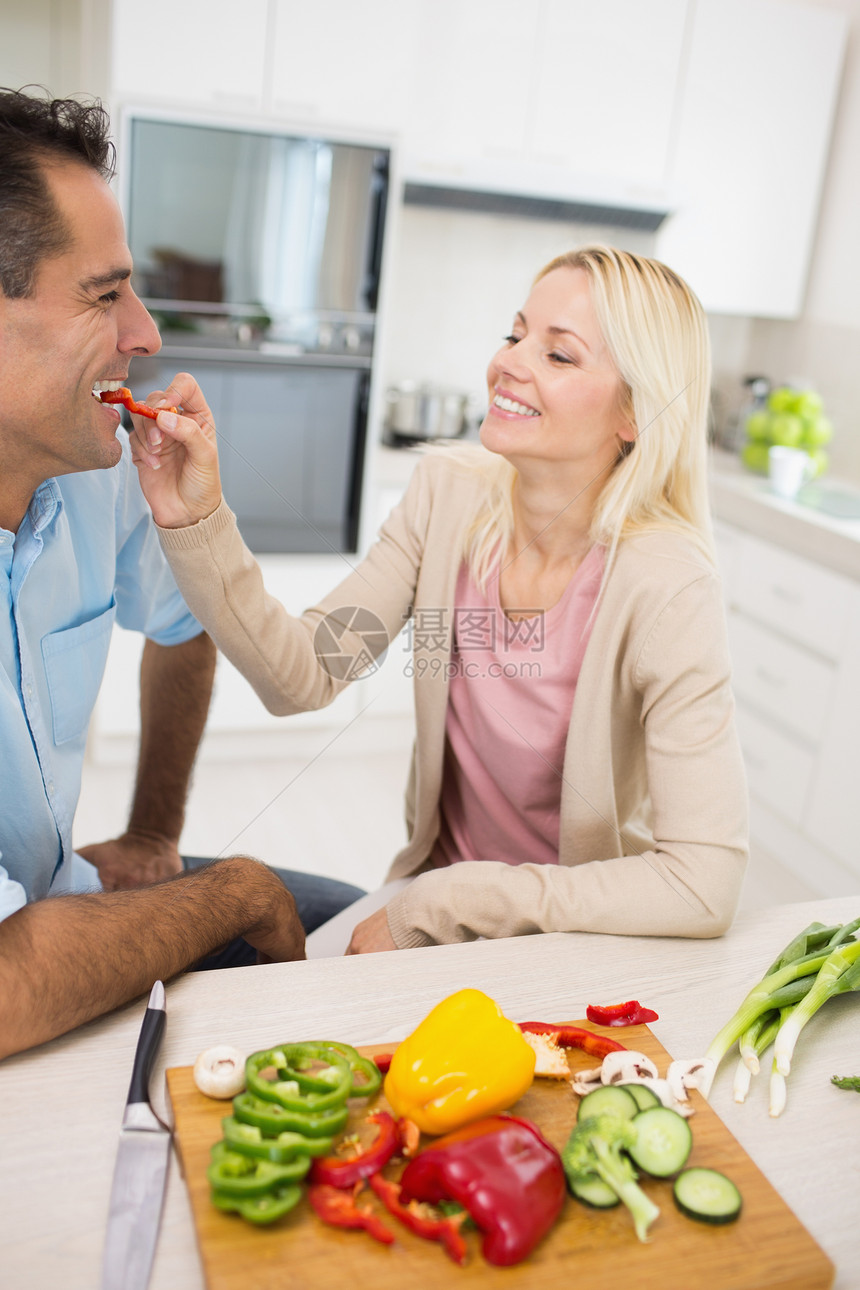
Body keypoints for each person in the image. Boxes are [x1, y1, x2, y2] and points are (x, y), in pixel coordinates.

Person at [129, 244, 749, 956]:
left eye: (560, 356)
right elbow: (303, 672)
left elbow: (706, 881)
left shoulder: (667, 584)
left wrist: (458, 900)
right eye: (516, 334)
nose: (509, 362)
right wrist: (195, 520)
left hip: (576, 938)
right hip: (429, 903)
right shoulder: (445, 496)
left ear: (635, 412)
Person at [0, 88, 362, 1060]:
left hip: (59, 899)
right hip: (17, 982)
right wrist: (229, 892)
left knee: (366, 928)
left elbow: (180, 625)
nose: (147, 333)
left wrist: (156, 833)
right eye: (103, 293)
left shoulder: (93, 472)